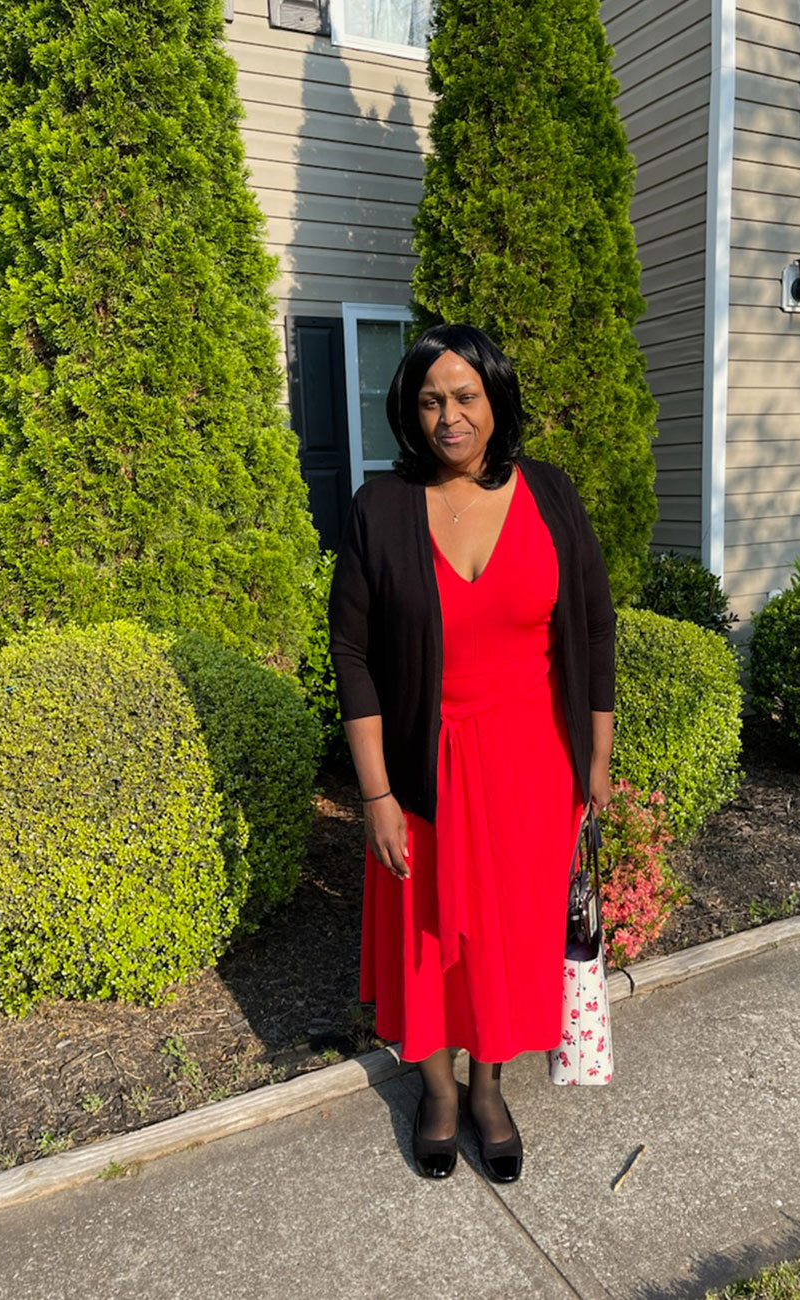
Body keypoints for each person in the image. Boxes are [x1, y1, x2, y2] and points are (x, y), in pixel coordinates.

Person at [328, 324, 615, 1182]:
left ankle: (489, 1086)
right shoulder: (380, 508)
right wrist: (376, 794)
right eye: (429, 401)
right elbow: (353, 653)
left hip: (534, 765)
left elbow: (594, 631)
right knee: (425, 938)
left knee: (505, 934)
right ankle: (440, 1092)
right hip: (422, 766)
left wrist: (595, 759)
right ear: (409, 413)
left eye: (465, 397)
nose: (448, 416)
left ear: (495, 402)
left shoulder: (552, 495)